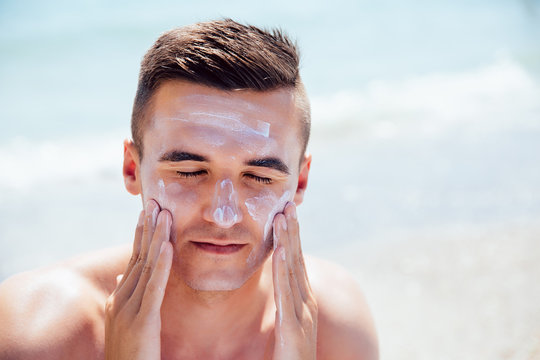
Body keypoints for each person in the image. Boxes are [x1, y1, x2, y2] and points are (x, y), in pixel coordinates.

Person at [0, 19, 378, 359]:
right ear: (132, 169)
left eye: (259, 177)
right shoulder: (36, 333)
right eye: (191, 171)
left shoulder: (334, 329)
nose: (223, 214)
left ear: (300, 182)